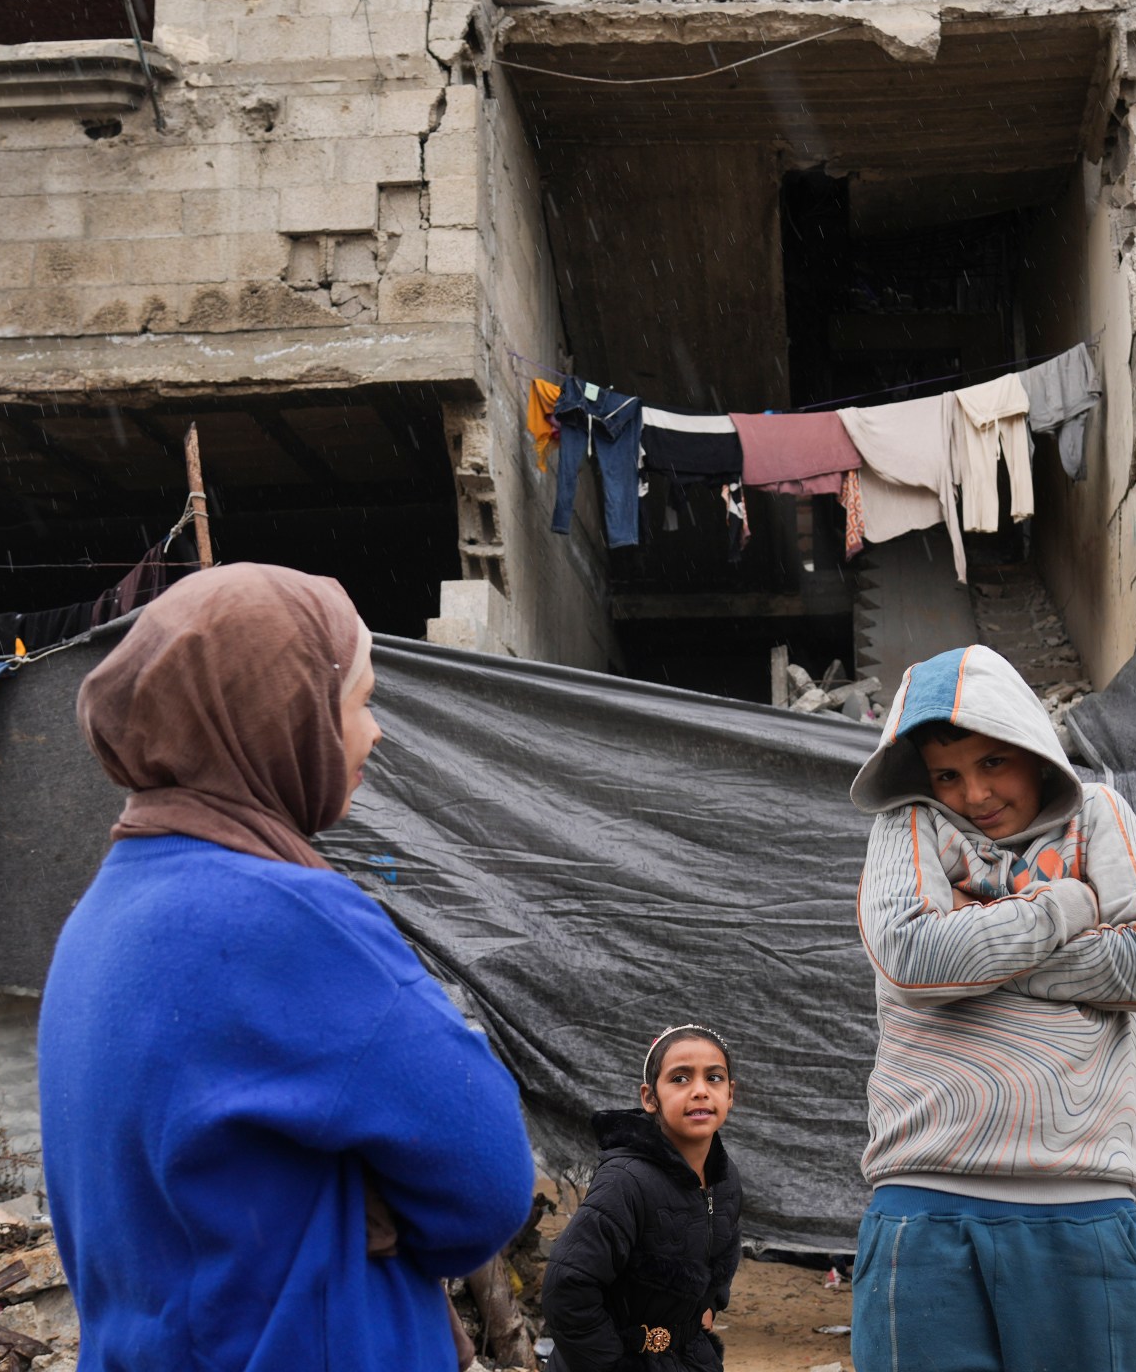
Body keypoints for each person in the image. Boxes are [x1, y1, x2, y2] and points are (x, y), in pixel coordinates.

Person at [38, 563, 535, 1372]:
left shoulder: (98, 921)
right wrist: (361, 1206)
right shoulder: (287, 918)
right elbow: (486, 1183)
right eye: (359, 701)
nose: (375, 732)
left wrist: (338, 1194)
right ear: (281, 719)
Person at [846, 645, 1136, 1372]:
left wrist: (977, 946)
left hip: (1083, 1204)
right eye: (948, 774)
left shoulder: (1098, 816)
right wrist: (1064, 907)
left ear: (1034, 750)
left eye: (994, 761)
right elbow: (915, 960)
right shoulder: (907, 825)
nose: (974, 794)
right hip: (925, 1204)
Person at [539, 1025, 745, 1372]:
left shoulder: (725, 1180)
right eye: (680, 1078)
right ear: (650, 1098)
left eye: (714, 1078)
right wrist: (614, 1362)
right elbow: (567, 1287)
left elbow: (723, 1250)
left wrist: (707, 1307)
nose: (700, 1091)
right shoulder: (626, 1182)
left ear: (730, 1094)